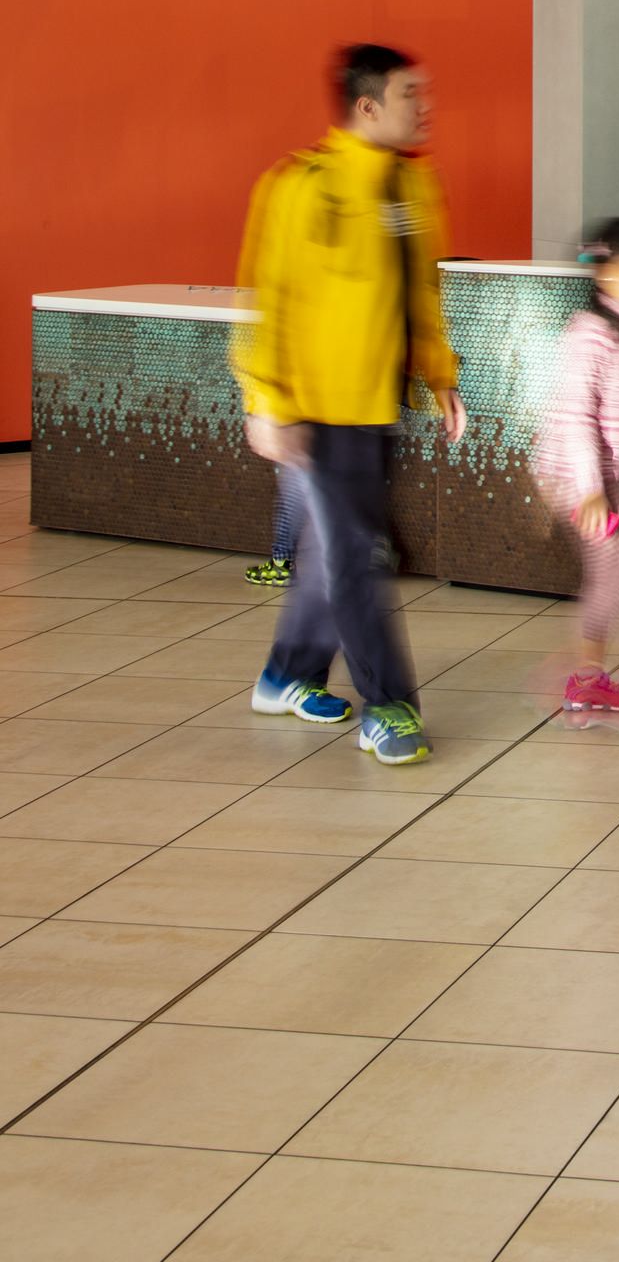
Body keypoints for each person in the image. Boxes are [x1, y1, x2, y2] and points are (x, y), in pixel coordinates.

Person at [233, 42, 466, 765]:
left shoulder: (413, 185)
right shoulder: (304, 184)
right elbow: (270, 297)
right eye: (409, 94)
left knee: (331, 553)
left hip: (376, 406)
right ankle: (387, 706)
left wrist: (441, 375)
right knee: (358, 557)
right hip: (315, 412)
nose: (424, 105)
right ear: (367, 106)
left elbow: (421, 289)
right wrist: (267, 400)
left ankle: (286, 675)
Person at [532, 218, 619, 715]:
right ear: (607, 274)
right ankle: (582, 675)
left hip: (612, 477)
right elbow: (576, 413)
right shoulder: (591, 332)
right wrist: (591, 488)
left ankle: (587, 675)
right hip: (577, 474)